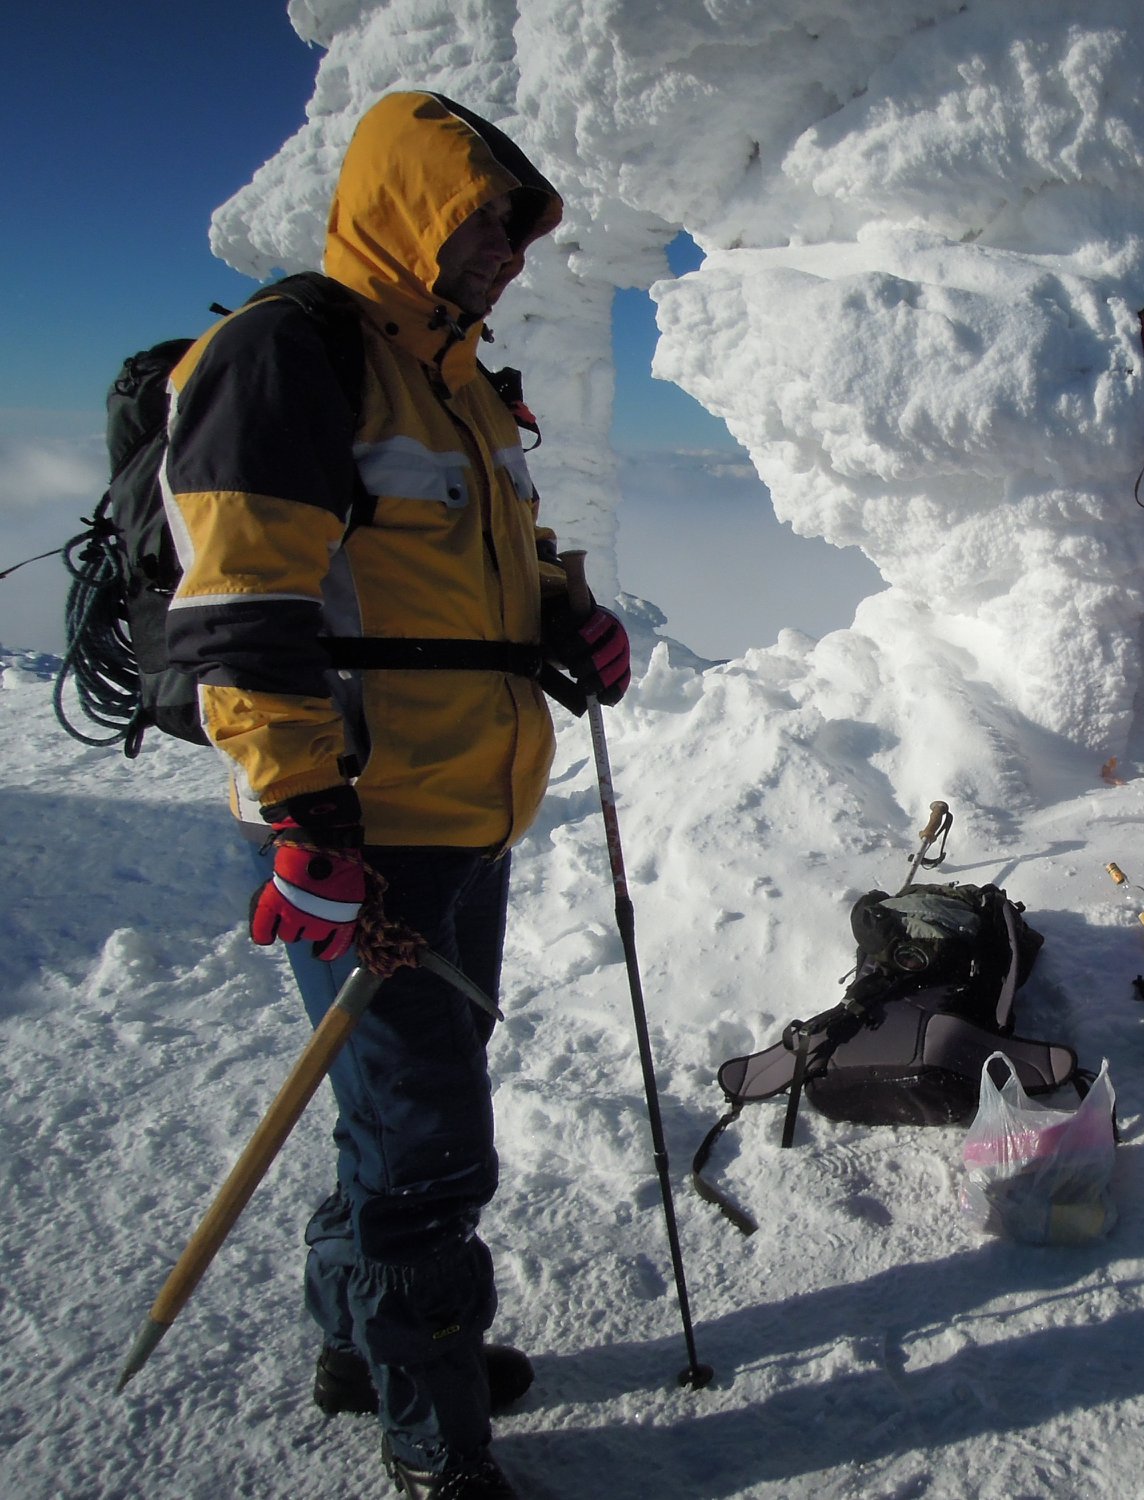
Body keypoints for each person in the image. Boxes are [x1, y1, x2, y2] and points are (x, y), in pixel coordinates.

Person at [162, 91, 630, 1499]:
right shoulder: (292, 355)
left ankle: (366, 1345)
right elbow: (242, 602)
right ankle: (439, 1443)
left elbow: (491, 555)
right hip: (367, 816)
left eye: (518, 232)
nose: (510, 255)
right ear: (416, 211)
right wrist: (307, 819)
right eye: (490, 223)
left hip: (461, 808)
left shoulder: (458, 377)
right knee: (428, 1137)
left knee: (403, 1097)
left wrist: (562, 615)